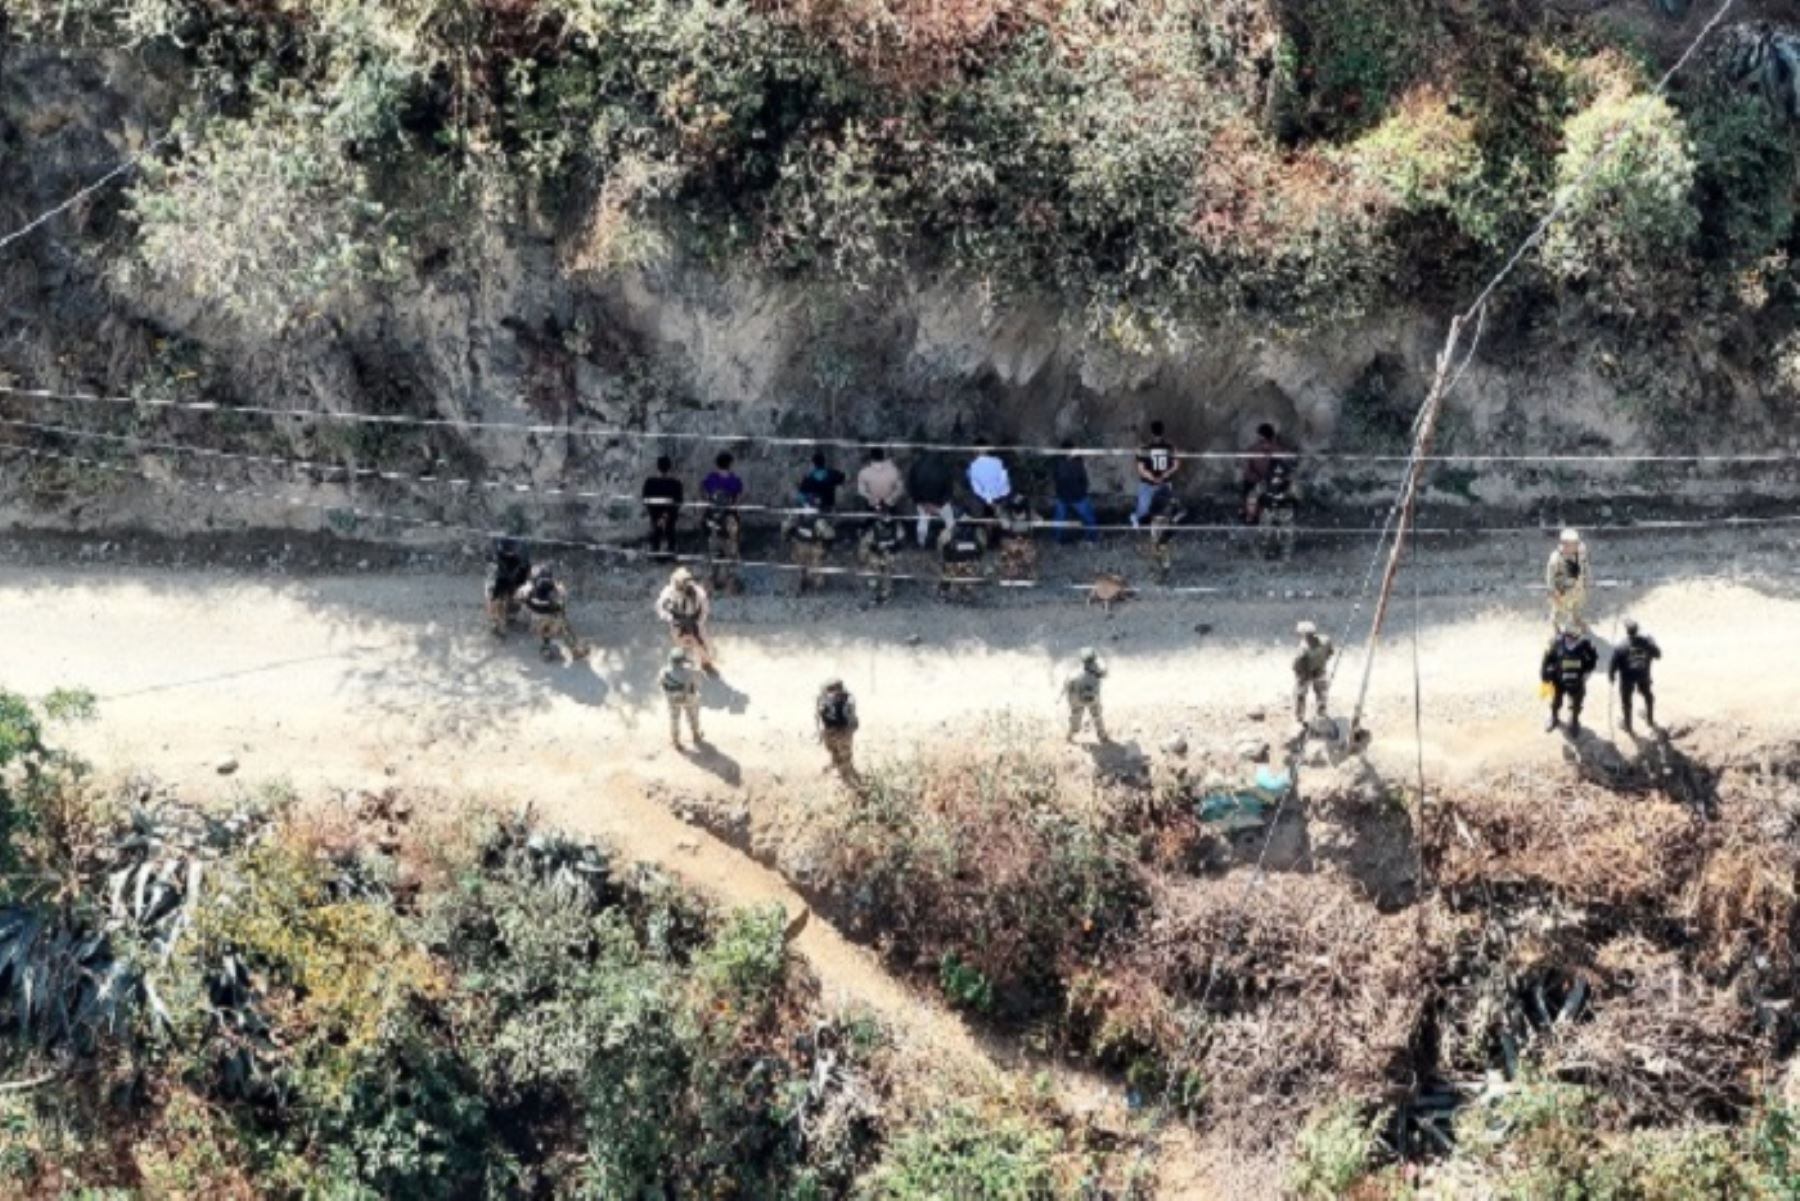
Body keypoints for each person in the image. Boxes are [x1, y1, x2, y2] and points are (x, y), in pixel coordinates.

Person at [655, 566, 718, 674]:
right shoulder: (669, 592)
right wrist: (671, 618)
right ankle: (682, 660)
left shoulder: (698, 593)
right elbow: (660, 607)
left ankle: (705, 662)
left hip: (694, 621)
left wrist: (697, 623)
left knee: (700, 643)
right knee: (680, 642)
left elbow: (704, 609)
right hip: (677, 621)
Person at [519, 563, 584, 661]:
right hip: (552, 620)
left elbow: (520, 597)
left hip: (535, 624)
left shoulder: (529, 587)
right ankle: (575, 650)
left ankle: (546, 649)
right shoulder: (555, 586)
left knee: (543, 625)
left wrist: (528, 603)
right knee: (563, 626)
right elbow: (562, 600)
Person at [1608, 618, 1663, 735]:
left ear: (1626, 631)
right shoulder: (1647, 642)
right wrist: (1652, 643)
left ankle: (1628, 726)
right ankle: (1650, 720)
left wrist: (1611, 677)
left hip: (1627, 679)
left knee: (1626, 702)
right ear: (1637, 630)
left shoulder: (1620, 646)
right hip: (1644, 675)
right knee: (1648, 695)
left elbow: (1613, 666)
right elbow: (1658, 655)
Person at [701, 452, 744, 595]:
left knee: (713, 555)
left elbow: (705, 496)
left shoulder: (710, 479)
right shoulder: (735, 481)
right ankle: (729, 587)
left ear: (717, 463)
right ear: (730, 464)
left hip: (713, 521)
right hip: (730, 522)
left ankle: (709, 586)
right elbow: (737, 502)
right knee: (731, 556)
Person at [1542, 627, 1599, 734]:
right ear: (1565, 636)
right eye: (1569, 637)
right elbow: (1547, 660)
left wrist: (1587, 672)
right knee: (1556, 702)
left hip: (1577, 681)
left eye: (1575, 638)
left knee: (1577, 704)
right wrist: (1545, 678)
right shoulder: (1556, 643)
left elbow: (1594, 658)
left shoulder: (1585, 644)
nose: (1572, 641)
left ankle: (1574, 721)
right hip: (1559, 681)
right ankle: (1554, 718)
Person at [1133, 421, 1180, 527]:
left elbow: (1141, 469)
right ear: (1163, 432)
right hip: (1157, 483)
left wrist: (1155, 478)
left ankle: (1142, 521)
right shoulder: (1170, 447)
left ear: (1151, 432)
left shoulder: (1144, 448)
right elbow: (1176, 465)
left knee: (1152, 511)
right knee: (1149, 510)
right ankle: (1139, 518)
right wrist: (1161, 476)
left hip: (1153, 482)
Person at [1051, 441, 1099, 545]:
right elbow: (1079, 478)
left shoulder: (1069, 461)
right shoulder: (1063, 464)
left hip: (1067, 496)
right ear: (1068, 452)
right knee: (1088, 518)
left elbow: (1082, 477)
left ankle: (1058, 539)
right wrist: (1083, 489)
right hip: (1075, 496)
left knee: (1060, 519)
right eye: (1075, 449)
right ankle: (1092, 538)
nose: (1078, 450)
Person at [815, 678, 861, 786]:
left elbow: (818, 716)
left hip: (836, 731)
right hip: (836, 731)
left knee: (842, 761)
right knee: (841, 760)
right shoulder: (846, 698)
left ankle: (852, 784)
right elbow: (853, 718)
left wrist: (820, 732)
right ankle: (852, 784)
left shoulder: (825, 698)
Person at [783, 500, 835, 594]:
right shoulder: (795, 518)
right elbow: (785, 529)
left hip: (815, 547)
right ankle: (802, 581)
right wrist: (788, 537)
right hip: (800, 546)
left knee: (818, 580)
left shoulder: (819, 522)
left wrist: (825, 548)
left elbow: (829, 535)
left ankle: (814, 581)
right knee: (800, 568)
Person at [908, 451, 958, 548]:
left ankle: (921, 544)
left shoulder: (916, 466)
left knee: (922, 523)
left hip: (923, 504)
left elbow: (912, 486)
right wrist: (938, 504)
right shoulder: (944, 468)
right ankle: (951, 542)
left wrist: (922, 502)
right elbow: (949, 490)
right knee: (950, 522)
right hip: (939, 504)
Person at [858, 502, 905, 605]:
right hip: (875, 553)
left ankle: (885, 594)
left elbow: (900, 543)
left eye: (885, 512)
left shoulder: (896, 526)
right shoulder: (872, 526)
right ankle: (873, 591)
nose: (884, 516)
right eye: (880, 512)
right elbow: (865, 544)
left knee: (887, 568)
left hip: (890, 554)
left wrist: (891, 549)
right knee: (874, 566)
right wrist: (873, 550)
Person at [1545, 529, 1591, 634]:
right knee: (1558, 611)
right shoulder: (1555, 558)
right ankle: (1556, 625)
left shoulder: (1581, 551)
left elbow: (1585, 566)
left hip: (1577, 589)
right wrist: (1553, 593)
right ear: (1565, 544)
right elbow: (1550, 578)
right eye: (1573, 544)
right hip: (1562, 592)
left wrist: (1587, 582)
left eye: (1576, 543)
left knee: (1576, 606)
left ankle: (1576, 619)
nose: (1576, 545)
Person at [485, 536, 532, 637]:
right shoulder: (496, 557)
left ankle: (508, 615)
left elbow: (525, 570)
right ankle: (496, 621)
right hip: (500, 578)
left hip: (514, 579)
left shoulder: (521, 555)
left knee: (514, 598)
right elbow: (492, 571)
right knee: (495, 596)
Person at [1255, 455, 1300, 561]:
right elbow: (1254, 494)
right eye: (1274, 474)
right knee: (1264, 533)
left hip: (1285, 511)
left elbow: (1298, 496)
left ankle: (1286, 555)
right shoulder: (1265, 483)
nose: (1277, 478)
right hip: (1269, 510)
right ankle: (1262, 554)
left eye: (1280, 475)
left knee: (1288, 533)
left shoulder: (1289, 484)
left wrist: (1291, 492)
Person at [660, 648, 705, 749]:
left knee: (674, 718)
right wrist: (693, 664)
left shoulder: (664, 671)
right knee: (693, 714)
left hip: (672, 699)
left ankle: (675, 740)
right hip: (688, 698)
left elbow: (661, 684)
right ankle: (695, 734)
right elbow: (699, 680)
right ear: (682, 661)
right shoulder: (691, 671)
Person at [1063, 647, 1110, 744]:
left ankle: (1070, 735)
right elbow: (1105, 673)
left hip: (1077, 699)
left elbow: (1067, 686)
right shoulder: (1097, 670)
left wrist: (1069, 698)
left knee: (1075, 717)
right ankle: (1102, 736)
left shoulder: (1074, 673)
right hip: (1093, 699)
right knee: (1097, 716)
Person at [1293, 621, 1335, 727]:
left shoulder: (1303, 648)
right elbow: (1331, 652)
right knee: (1321, 694)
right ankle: (1321, 714)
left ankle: (1299, 716)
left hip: (1305, 675)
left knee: (1300, 695)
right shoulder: (1326, 640)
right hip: (1320, 671)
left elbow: (1296, 665)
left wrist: (1299, 674)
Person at [1242, 423, 1285, 523]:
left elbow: (1284, 471)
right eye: (1261, 441)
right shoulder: (1252, 450)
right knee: (1252, 496)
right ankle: (1251, 517)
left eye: (1267, 441)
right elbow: (1246, 471)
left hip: (1274, 484)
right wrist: (1257, 481)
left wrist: (1272, 481)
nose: (1264, 445)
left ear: (1272, 440)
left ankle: (1274, 518)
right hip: (1255, 483)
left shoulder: (1280, 451)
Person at [642, 456, 684, 559]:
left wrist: (655, 514)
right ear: (669, 467)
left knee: (656, 531)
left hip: (655, 513)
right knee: (670, 531)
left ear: (657, 466)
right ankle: (670, 552)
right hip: (670, 514)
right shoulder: (676, 483)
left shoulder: (650, 482)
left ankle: (656, 552)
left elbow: (645, 499)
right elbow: (678, 501)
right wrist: (666, 515)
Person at [938, 520, 986, 603]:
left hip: (965, 558)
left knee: (951, 572)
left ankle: (954, 591)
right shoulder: (950, 532)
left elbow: (980, 551)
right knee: (949, 572)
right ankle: (945, 592)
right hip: (958, 558)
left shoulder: (976, 532)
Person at [995, 491, 1038, 582]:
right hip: (1010, 540)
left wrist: (1037, 521)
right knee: (1009, 557)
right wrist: (1003, 520)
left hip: (1025, 540)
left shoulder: (1030, 512)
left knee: (1029, 555)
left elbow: (1038, 519)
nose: (1019, 515)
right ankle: (1009, 574)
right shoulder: (1006, 512)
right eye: (1016, 512)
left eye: (1021, 512)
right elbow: (999, 514)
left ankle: (1028, 574)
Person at [1145, 491, 1184, 583]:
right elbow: (1152, 514)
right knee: (1156, 547)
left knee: (1162, 547)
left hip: (1167, 526)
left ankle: (1164, 570)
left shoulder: (1172, 500)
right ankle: (1158, 569)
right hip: (1159, 523)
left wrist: (1174, 519)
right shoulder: (1156, 499)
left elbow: (1183, 511)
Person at [856, 446, 905, 512]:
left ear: (871, 457)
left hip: (872, 506)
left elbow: (861, 491)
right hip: (890, 506)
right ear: (883, 457)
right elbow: (900, 489)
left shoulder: (864, 472)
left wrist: (872, 498)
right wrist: (890, 498)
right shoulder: (894, 470)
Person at [967, 447, 1011, 514]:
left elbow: (974, 482)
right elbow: (1004, 477)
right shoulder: (1004, 493)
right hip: (997, 469)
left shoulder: (983, 495)